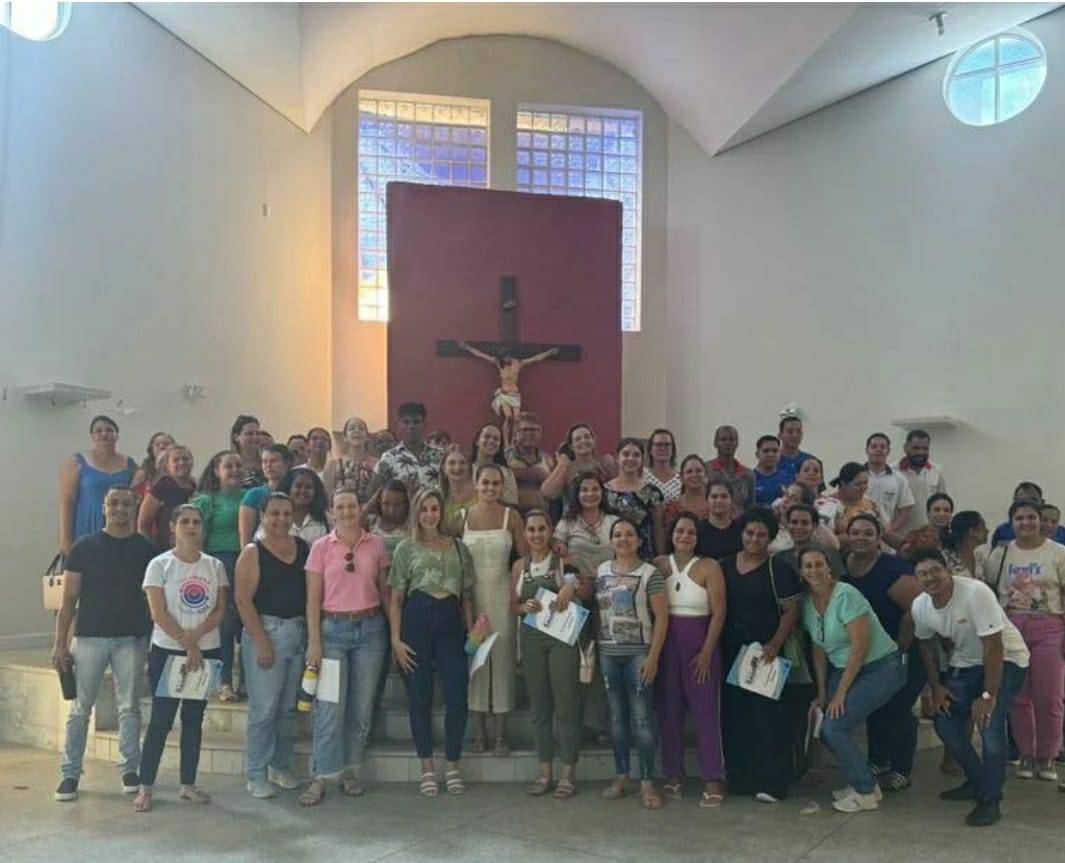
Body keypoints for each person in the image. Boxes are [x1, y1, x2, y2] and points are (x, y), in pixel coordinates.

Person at [911, 548, 1030, 826]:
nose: (930, 578)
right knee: (945, 721)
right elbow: (926, 646)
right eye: (923, 574)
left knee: (990, 724)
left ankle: (991, 799)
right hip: (965, 662)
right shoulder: (920, 606)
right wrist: (937, 687)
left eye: (935, 570)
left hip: (1008, 659)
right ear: (916, 579)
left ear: (947, 570)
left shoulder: (976, 592)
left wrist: (988, 695)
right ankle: (978, 781)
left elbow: (994, 646)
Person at [52, 486, 156, 803]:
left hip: (131, 638)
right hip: (89, 638)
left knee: (130, 708)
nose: (120, 508)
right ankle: (70, 774)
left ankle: (130, 770)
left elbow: (154, 598)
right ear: (104, 507)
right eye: (114, 503)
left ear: (135, 507)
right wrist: (60, 644)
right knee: (80, 709)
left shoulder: (146, 550)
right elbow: (68, 600)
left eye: (126, 503)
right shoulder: (83, 548)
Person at [134, 504, 227, 812]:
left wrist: (196, 639)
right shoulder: (159, 565)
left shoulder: (214, 566)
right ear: (172, 527)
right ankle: (146, 785)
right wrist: (186, 643)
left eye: (196, 522)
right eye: (184, 521)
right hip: (168, 650)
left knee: (193, 719)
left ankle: (188, 783)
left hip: (206, 649)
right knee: (161, 719)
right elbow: (158, 612)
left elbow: (219, 610)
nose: (191, 526)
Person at [300, 486, 390, 805]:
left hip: (370, 631)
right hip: (333, 632)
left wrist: (395, 634)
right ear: (331, 511)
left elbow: (386, 593)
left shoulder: (376, 545)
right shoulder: (321, 548)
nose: (347, 512)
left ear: (360, 508)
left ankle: (350, 770)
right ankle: (321, 775)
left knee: (361, 707)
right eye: (340, 507)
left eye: (352, 506)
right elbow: (312, 599)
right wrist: (314, 642)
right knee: (329, 708)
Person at [801, 547, 904, 813]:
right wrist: (823, 691)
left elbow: (859, 648)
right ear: (801, 572)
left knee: (835, 727)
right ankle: (866, 781)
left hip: (880, 667)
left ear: (829, 568)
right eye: (808, 566)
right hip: (843, 668)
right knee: (826, 727)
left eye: (819, 564)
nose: (814, 570)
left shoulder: (846, 594)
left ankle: (865, 791)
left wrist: (840, 694)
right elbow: (818, 649)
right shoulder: (808, 604)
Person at [389, 488, 476, 797]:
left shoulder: (458, 547)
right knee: (419, 697)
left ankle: (452, 765)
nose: (429, 514)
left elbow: (467, 597)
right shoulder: (405, 548)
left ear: (442, 512)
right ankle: (426, 766)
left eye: (434, 509)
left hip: (450, 622)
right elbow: (396, 599)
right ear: (417, 512)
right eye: (424, 509)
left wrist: (472, 636)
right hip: (416, 621)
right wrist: (396, 640)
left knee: (457, 696)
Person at [719, 507, 803, 802]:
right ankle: (741, 779)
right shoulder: (724, 566)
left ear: (770, 538)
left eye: (761, 535)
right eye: (749, 533)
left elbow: (791, 610)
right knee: (736, 716)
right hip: (730, 650)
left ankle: (773, 782)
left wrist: (775, 644)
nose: (754, 539)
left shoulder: (779, 569)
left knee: (768, 718)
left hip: (765, 653)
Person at [983, 499, 1065, 782]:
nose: (1026, 523)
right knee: (1018, 696)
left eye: (1031, 517)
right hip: (1011, 627)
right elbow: (989, 591)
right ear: (1011, 522)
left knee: (1050, 696)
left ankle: (1047, 756)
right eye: (1019, 518)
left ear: (1041, 520)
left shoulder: (1058, 553)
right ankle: (1026, 754)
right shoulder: (1001, 553)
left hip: (1049, 626)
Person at [234, 493, 308, 798]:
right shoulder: (253, 552)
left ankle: (280, 766)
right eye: (274, 513)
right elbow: (242, 600)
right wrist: (262, 642)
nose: (281, 519)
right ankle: (256, 773)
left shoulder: (302, 547)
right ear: (262, 515)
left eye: (287, 513)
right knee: (264, 710)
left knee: (287, 709)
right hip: (266, 632)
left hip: (297, 633)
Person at [842, 513, 923, 791]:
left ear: (879, 539)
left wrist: (900, 649)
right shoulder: (843, 565)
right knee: (875, 706)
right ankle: (878, 759)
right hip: (869, 653)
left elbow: (914, 611)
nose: (861, 538)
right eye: (855, 533)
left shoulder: (893, 568)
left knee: (898, 707)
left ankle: (901, 768)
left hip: (904, 649)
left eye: (868, 533)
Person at [510, 509, 588, 798]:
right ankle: (545, 773)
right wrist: (523, 607)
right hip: (532, 638)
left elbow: (585, 589)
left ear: (550, 530)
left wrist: (571, 587)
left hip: (561, 640)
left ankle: (568, 773)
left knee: (565, 706)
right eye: (531, 530)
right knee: (540, 707)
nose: (536, 534)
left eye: (542, 529)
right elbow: (513, 604)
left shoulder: (564, 560)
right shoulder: (520, 566)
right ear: (525, 533)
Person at [595, 517, 669, 809]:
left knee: (641, 719)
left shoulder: (651, 574)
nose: (623, 539)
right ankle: (622, 776)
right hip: (608, 654)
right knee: (616, 719)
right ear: (610, 541)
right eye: (617, 535)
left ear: (639, 540)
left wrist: (653, 656)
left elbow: (662, 618)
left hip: (639, 654)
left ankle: (647, 783)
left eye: (629, 535)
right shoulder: (602, 570)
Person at [654, 514, 726, 807]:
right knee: (669, 711)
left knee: (706, 712)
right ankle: (673, 774)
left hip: (699, 643)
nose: (685, 536)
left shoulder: (710, 567)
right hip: (666, 643)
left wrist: (707, 650)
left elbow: (719, 613)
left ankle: (712, 778)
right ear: (671, 534)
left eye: (691, 532)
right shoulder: (660, 565)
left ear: (698, 537)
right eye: (680, 531)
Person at [464, 463, 528, 754]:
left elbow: (525, 559)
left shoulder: (510, 516)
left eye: (495, 483)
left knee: (502, 663)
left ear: (502, 487)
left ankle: (501, 735)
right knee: (476, 662)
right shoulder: (462, 518)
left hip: (503, 597)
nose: (490, 488)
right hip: (473, 599)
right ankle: (480, 734)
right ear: (476, 484)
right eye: (485, 482)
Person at [192, 450, 245, 702]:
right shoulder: (207, 501)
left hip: (247, 564)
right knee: (225, 623)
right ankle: (225, 681)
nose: (235, 470)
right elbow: (197, 537)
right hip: (219, 564)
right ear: (216, 471)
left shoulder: (250, 497)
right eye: (228, 466)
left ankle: (247, 679)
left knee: (246, 623)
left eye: (238, 465)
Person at [59, 415, 141, 554]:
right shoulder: (76, 462)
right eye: (98, 431)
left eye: (109, 430)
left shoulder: (130, 465)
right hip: (85, 527)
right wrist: (66, 539)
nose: (104, 434)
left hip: (119, 529)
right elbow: (67, 501)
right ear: (92, 436)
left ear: (116, 435)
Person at [456, 340, 559, 445]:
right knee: (509, 417)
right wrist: (467, 348)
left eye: (508, 357)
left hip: (515, 395)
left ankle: (514, 440)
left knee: (517, 420)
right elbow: (482, 355)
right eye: (505, 357)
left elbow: (535, 359)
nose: (507, 359)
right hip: (504, 394)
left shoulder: (518, 363)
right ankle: (506, 442)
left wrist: (549, 353)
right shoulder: (499, 364)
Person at [604, 438, 666, 560]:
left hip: (644, 556)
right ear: (617, 458)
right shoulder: (604, 491)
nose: (631, 458)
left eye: (636, 455)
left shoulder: (653, 492)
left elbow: (658, 528)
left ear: (642, 459)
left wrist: (661, 556)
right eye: (626, 454)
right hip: (611, 556)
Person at [553, 471, 618, 581]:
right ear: (577, 494)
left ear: (602, 493)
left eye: (595, 489)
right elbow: (557, 551)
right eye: (584, 490)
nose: (590, 494)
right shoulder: (566, 523)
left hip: (610, 582)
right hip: (576, 583)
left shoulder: (614, 522)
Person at [371, 402, 443, 494]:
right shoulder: (389, 458)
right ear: (399, 425)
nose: (411, 426)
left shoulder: (440, 455)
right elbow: (373, 491)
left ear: (424, 424)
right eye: (406, 422)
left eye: (416, 422)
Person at [540, 422, 617, 502]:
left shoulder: (604, 465)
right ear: (571, 446)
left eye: (587, 437)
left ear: (593, 441)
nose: (583, 441)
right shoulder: (566, 469)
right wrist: (562, 465)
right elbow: (547, 493)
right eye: (578, 439)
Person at [137, 444, 195, 548]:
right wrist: (150, 549)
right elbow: (143, 524)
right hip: (165, 549)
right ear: (167, 466)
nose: (181, 462)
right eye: (176, 460)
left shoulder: (196, 487)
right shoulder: (161, 487)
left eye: (185, 459)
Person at [864, 433, 915, 549]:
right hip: (860, 537)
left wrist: (891, 528)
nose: (878, 450)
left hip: (886, 541)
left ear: (888, 451)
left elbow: (906, 508)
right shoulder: (857, 476)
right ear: (867, 450)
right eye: (874, 446)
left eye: (883, 447)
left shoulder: (898, 479)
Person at [238, 444, 294, 546]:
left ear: (287, 463)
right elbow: (246, 537)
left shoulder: (295, 492)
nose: (268, 465)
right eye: (264, 461)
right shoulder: (254, 494)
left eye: (273, 461)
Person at [774, 503, 845, 579]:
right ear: (787, 525)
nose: (798, 527)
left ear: (814, 526)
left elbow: (839, 583)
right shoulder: (780, 558)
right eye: (794, 522)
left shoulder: (830, 554)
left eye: (805, 523)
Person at [822, 463, 884, 550]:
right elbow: (822, 541)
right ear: (843, 484)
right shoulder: (827, 506)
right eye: (858, 484)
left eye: (865, 483)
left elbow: (883, 530)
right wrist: (853, 537)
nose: (863, 487)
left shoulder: (870, 502)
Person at [896, 429, 947, 534]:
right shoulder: (893, 472)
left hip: (930, 536)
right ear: (905, 448)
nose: (921, 452)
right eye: (916, 448)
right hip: (900, 536)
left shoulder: (936, 471)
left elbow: (942, 504)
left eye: (925, 448)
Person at [505, 412, 556, 515]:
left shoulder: (548, 460)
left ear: (540, 433)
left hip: (541, 517)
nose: (529, 434)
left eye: (533, 430)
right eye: (525, 430)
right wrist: (535, 473)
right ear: (515, 434)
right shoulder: (505, 457)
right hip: (512, 516)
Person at [323, 416, 377, 503]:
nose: (357, 431)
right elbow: (328, 497)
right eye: (352, 429)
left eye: (361, 429)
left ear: (367, 437)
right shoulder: (333, 464)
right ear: (345, 437)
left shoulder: (377, 463)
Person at [705, 425, 754, 514]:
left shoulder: (748, 475)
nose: (728, 443)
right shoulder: (705, 470)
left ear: (737, 443)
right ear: (715, 443)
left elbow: (751, 508)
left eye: (732, 439)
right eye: (723, 439)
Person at [276, 467, 331, 544]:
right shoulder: (275, 518)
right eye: (298, 486)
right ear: (288, 488)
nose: (303, 490)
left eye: (308, 487)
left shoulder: (326, 519)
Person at [471, 422, 519, 506]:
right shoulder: (465, 469)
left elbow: (511, 504)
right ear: (477, 441)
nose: (491, 441)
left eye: (496, 439)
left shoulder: (506, 473)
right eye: (487, 437)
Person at [695, 482, 743, 560]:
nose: (719, 500)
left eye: (724, 496)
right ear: (706, 501)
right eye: (714, 496)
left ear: (731, 500)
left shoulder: (741, 530)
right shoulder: (697, 530)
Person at [362, 479, 411, 556]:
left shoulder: (410, 525)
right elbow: (351, 530)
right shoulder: (372, 522)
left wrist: (412, 500)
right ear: (379, 502)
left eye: (398, 505)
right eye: (386, 504)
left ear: (405, 504)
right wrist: (369, 506)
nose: (391, 510)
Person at [438, 446, 477, 534]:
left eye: (462, 463)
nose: (457, 468)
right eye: (452, 463)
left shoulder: (481, 493)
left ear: (469, 467)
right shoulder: (437, 496)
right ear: (444, 468)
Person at [664, 454, 710, 524]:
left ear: (706, 475)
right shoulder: (673, 509)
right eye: (689, 471)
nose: (694, 475)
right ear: (681, 477)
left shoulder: (717, 503)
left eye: (698, 471)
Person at [944, 510, 990, 579]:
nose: (987, 531)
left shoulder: (984, 556)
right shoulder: (947, 559)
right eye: (983, 527)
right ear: (971, 531)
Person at [644, 428, 682, 503]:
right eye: (658, 444)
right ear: (650, 449)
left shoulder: (681, 479)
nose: (663, 448)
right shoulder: (641, 476)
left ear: (673, 449)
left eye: (667, 445)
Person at [752, 435, 790, 507]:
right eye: (766, 451)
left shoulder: (788, 479)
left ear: (780, 453)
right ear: (757, 454)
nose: (771, 454)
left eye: (775, 451)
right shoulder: (749, 479)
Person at [135, 431, 175, 497]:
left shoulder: (179, 470)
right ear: (152, 449)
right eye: (157, 445)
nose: (162, 447)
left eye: (166, 444)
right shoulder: (142, 473)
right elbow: (133, 496)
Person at [230, 414, 265, 489]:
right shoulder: (228, 465)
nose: (255, 437)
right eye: (249, 434)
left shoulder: (267, 462)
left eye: (257, 433)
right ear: (236, 437)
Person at [777, 416, 813, 481]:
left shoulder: (810, 461)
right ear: (780, 435)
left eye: (798, 432)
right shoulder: (772, 461)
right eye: (790, 432)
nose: (795, 435)